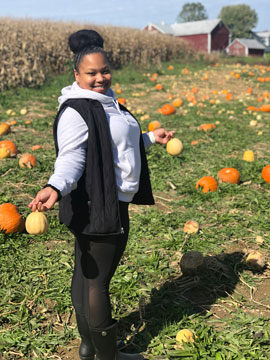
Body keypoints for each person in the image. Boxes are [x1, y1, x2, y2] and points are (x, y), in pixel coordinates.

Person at [29, 29, 175, 360]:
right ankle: (108, 356)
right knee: (97, 282)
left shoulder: (105, 103)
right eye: (91, 73)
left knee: (86, 273)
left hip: (102, 199)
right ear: (76, 74)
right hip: (101, 205)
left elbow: (113, 145)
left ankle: (88, 346)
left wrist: (150, 137)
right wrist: (55, 186)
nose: (100, 78)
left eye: (104, 70)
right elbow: (72, 156)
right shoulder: (77, 110)